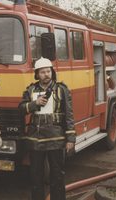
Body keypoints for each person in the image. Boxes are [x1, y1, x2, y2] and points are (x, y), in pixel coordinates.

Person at [18, 57, 76, 200]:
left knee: (57, 175)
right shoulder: (30, 90)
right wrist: (34, 103)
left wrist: (70, 139)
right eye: (43, 72)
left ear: (52, 72)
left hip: (56, 139)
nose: (46, 74)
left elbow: (69, 115)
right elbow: (20, 109)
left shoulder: (62, 90)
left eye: (48, 71)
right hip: (35, 139)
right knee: (36, 176)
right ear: (37, 74)